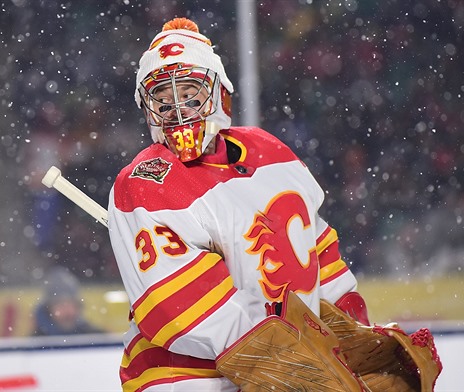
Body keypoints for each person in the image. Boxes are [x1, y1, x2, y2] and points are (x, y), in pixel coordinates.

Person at [108, 17, 440, 391]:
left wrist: (348, 329)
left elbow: (314, 248)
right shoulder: (144, 182)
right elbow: (174, 302)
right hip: (184, 377)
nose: (178, 111)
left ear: (219, 94)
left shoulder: (270, 152)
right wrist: (279, 359)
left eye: (188, 93)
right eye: (163, 100)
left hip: (300, 364)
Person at [33, 266, 103, 336]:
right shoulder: (35, 342)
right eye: (61, 305)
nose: (67, 311)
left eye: (71, 305)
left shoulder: (97, 338)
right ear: (49, 310)